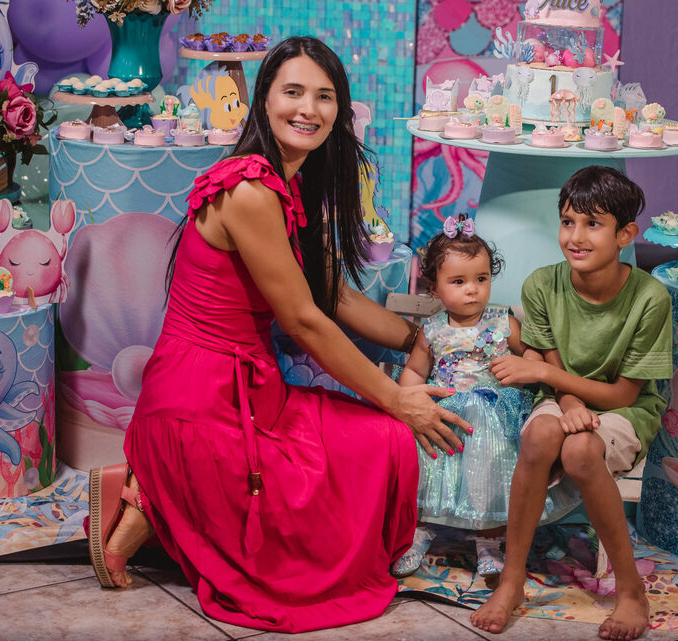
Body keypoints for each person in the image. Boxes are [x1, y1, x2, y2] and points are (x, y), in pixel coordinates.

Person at [86, 36, 473, 633]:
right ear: (263, 99)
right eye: (293, 92)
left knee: (375, 442)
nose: (308, 109)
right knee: (377, 446)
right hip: (204, 398)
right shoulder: (249, 189)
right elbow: (304, 320)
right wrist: (399, 399)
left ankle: (155, 491)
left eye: (324, 96)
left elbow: (335, 294)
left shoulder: (289, 182)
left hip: (250, 388)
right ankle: (150, 491)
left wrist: (424, 342)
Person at [471, 166, 673, 640]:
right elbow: (556, 369)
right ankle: (513, 581)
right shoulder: (543, 285)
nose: (576, 237)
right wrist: (566, 401)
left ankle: (631, 591)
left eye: (593, 224)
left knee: (581, 450)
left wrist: (545, 375)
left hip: (624, 410)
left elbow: (624, 394)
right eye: (568, 222)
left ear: (625, 234)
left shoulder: (650, 298)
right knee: (541, 435)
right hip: (562, 397)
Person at [391, 217, 580, 581]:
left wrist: (524, 365)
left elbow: (532, 357)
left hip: (493, 416)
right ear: (434, 287)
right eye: (458, 282)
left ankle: (489, 542)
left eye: (481, 279)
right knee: (426, 465)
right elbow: (415, 371)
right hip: (445, 413)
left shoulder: (502, 322)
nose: (473, 290)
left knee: (491, 471)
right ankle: (419, 534)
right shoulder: (432, 330)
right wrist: (408, 396)